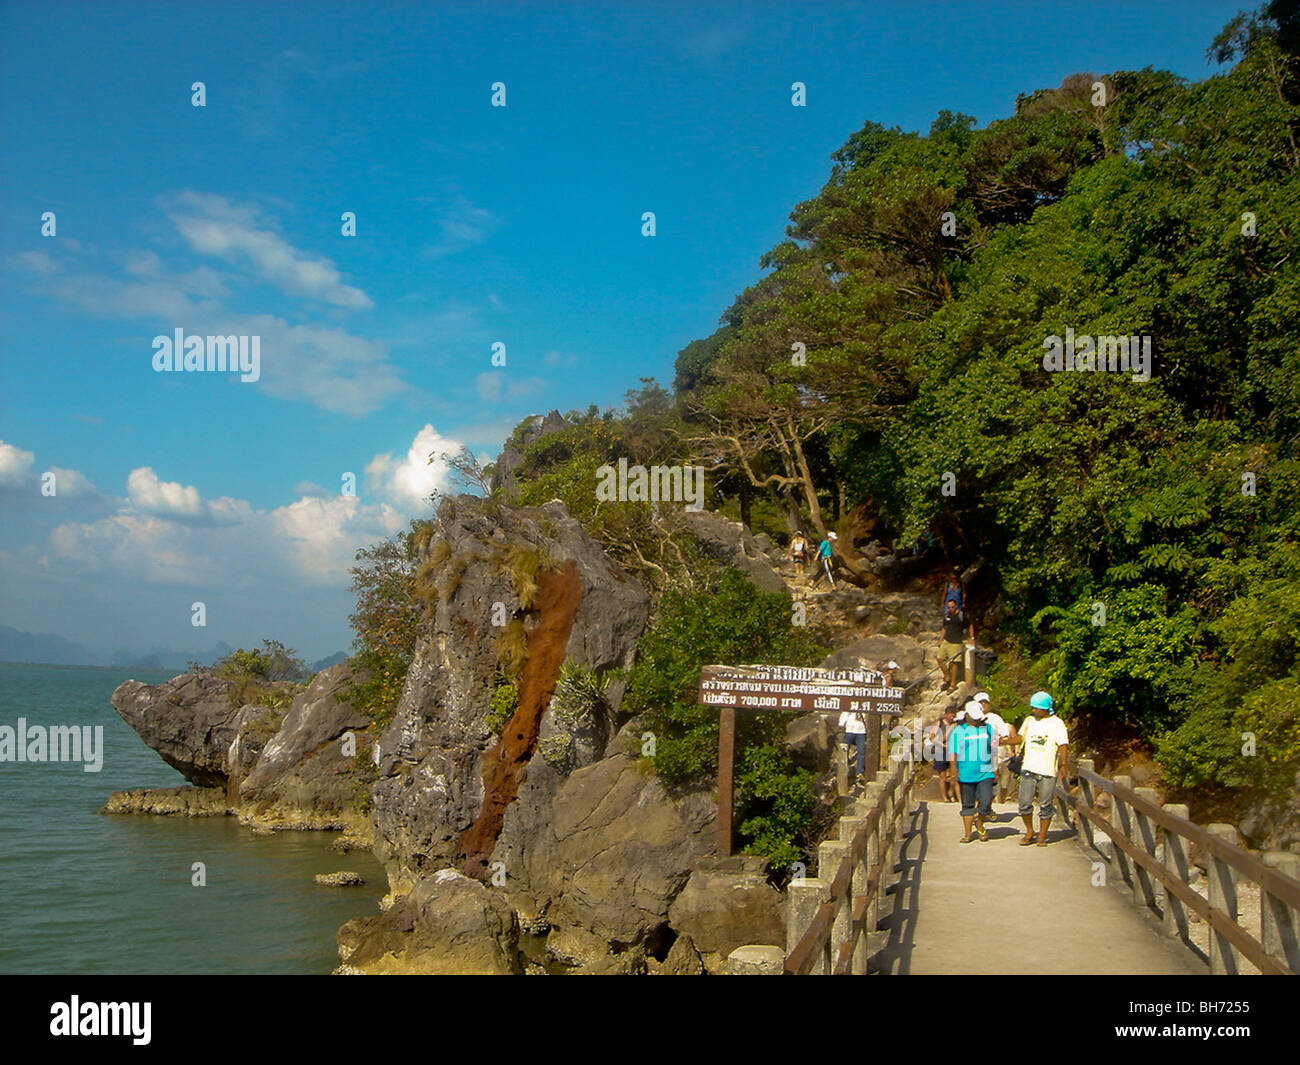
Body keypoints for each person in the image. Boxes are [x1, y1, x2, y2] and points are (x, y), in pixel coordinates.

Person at [1014, 690, 1069, 847]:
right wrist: (1005, 742)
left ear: (1045, 708)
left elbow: (1063, 745)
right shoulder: (1029, 721)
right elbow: (1020, 737)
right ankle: (1030, 830)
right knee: (1024, 804)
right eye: (1032, 707)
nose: (1034, 711)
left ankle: (1042, 835)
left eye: (1037, 708)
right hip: (1028, 768)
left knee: (1045, 805)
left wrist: (1063, 765)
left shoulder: (1057, 724)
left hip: (1047, 771)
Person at [949, 700, 996, 842]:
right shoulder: (959, 730)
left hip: (985, 771)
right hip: (966, 771)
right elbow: (953, 752)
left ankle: (979, 820)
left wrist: (996, 768)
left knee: (987, 800)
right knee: (967, 804)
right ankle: (968, 834)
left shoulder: (988, 728)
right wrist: (953, 771)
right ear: (967, 715)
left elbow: (993, 749)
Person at [974, 691, 1019, 807]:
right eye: (980, 702)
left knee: (995, 781)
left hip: (995, 753)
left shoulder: (995, 718)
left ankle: (992, 806)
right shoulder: (970, 718)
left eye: (985, 702)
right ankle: (979, 807)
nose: (983, 705)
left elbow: (1004, 735)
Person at [937, 598, 973, 691]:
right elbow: (944, 628)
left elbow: (970, 625)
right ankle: (947, 676)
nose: (950, 609)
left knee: (954, 663)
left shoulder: (961, 616)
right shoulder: (947, 615)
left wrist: (971, 638)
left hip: (956, 642)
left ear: (956, 606)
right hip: (947, 640)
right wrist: (940, 640)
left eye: (952, 607)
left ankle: (953, 684)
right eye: (949, 607)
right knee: (939, 658)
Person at [925, 705, 958, 802]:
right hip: (940, 752)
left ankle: (951, 792)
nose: (952, 718)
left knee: (954, 774)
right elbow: (932, 738)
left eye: (953, 716)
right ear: (946, 715)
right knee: (942, 776)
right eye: (950, 716)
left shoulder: (955, 725)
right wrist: (942, 745)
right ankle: (944, 797)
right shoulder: (939, 723)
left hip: (952, 752)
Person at [838, 707, 867, 781]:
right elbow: (844, 714)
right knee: (844, 750)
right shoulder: (851, 704)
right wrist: (841, 723)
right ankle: (845, 767)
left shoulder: (866, 705)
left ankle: (859, 772)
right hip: (850, 730)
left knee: (861, 752)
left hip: (861, 731)